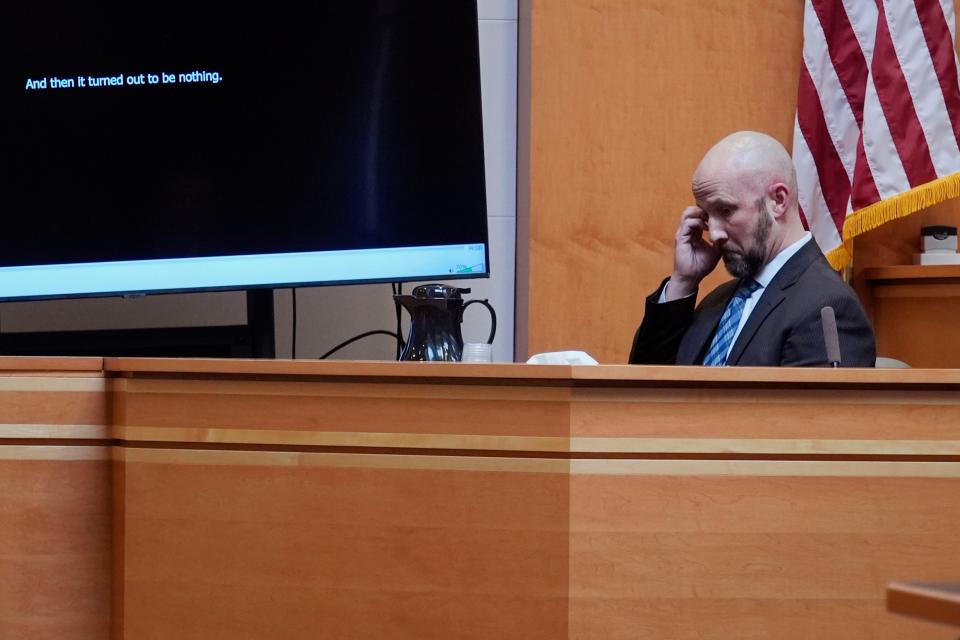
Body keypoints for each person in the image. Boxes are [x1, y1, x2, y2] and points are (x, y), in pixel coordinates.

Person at [628, 131, 875, 366]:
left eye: (725, 210)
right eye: (706, 215)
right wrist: (683, 282)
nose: (714, 234)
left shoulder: (827, 306)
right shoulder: (718, 300)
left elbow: (814, 411)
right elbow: (643, 391)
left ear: (778, 200)